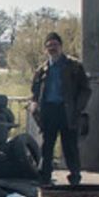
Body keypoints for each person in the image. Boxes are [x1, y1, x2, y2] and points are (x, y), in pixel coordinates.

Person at [29, 32, 91, 186]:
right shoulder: (42, 69)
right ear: (45, 49)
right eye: (49, 46)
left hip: (67, 111)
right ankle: (45, 177)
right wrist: (34, 105)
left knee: (70, 146)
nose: (52, 48)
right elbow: (35, 91)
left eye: (55, 45)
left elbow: (85, 89)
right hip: (49, 111)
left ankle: (74, 177)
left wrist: (78, 108)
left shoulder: (74, 66)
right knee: (47, 146)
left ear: (61, 46)